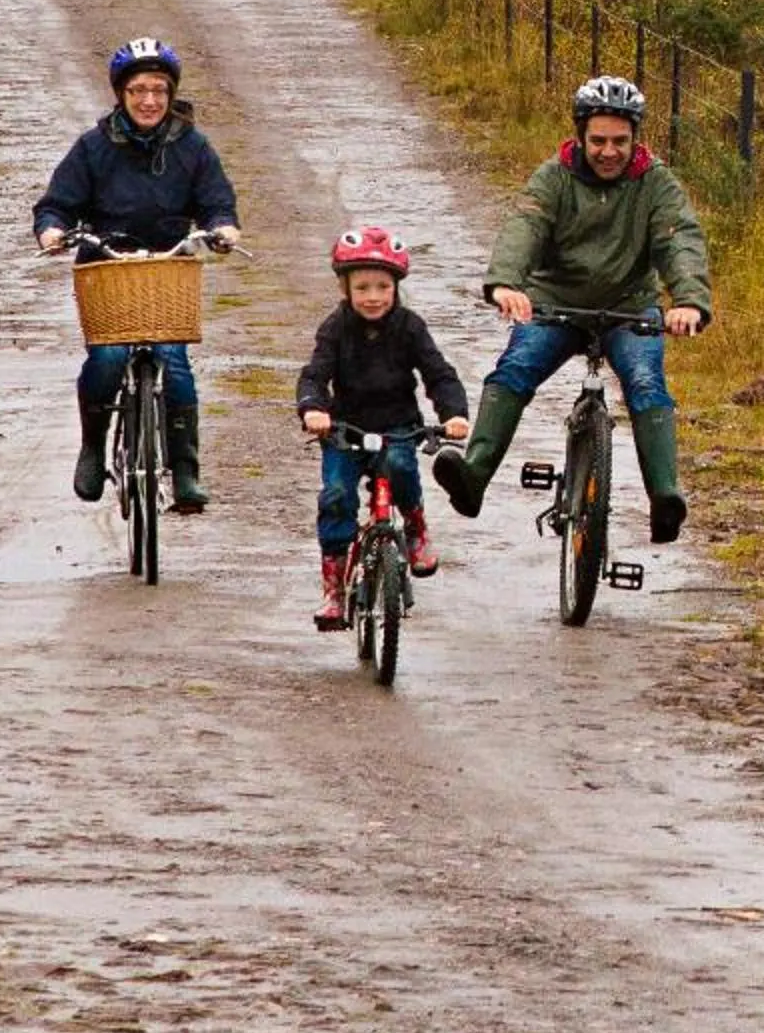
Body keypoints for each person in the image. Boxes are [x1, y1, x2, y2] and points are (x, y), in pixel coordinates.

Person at [434, 74, 710, 540]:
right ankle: (473, 476)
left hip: (629, 308)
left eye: (620, 141)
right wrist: (505, 284)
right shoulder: (554, 177)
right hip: (556, 305)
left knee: (646, 382)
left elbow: (678, 239)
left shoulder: (655, 182)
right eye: (598, 140)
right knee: (515, 367)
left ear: (635, 139)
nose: (609, 152)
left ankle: (665, 497)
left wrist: (689, 301)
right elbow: (526, 227)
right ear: (580, 136)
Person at [32, 37, 242, 509]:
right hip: (108, 268)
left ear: (170, 95)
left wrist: (221, 227)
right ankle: (92, 447)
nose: (149, 101)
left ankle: (185, 470)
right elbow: (56, 205)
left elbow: (217, 202)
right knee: (107, 360)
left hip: (167, 267)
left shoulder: (191, 145)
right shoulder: (93, 146)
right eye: (139, 91)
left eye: (159, 91)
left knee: (175, 363)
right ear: (121, 95)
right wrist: (52, 232)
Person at [297, 227, 470, 630]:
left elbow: (439, 374)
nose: (372, 296)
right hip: (344, 430)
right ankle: (335, 589)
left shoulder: (410, 327)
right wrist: (313, 409)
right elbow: (314, 375)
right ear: (345, 289)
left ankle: (415, 527)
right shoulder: (335, 328)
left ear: (396, 287)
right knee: (337, 495)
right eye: (362, 288)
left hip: (397, 427)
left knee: (401, 466)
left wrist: (454, 415)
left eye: (382, 287)